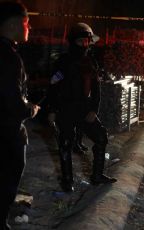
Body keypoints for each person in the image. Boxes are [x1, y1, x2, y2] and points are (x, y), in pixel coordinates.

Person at [47, 22, 116, 192]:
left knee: (101, 137)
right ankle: (67, 180)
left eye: (87, 41)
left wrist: (94, 110)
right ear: (72, 42)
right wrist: (52, 111)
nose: (84, 45)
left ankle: (97, 175)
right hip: (65, 109)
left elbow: (96, 90)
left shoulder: (90, 62)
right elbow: (52, 88)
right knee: (65, 144)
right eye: (80, 41)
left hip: (84, 108)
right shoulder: (62, 62)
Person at [0, 2, 40, 229]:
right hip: (6, 134)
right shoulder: (9, 58)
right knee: (6, 183)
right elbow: (13, 102)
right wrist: (31, 109)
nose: (29, 27)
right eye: (27, 23)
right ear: (15, 24)